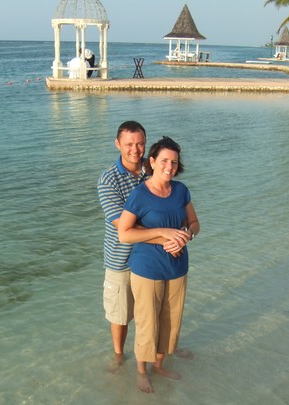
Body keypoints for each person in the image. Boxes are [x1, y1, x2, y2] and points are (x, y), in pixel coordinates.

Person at [97, 122, 183, 374]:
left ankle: (156, 355)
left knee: (155, 313)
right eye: (129, 144)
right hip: (121, 257)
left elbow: (171, 203)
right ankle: (119, 355)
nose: (135, 150)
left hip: (153, 258)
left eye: (140, 143)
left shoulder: (155, 166)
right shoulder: (108, 180)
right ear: (117, 144)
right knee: (121, 314)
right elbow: (122, 227)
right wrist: (168, 238)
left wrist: (179, 235)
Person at [118, 136, 200, 394]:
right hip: (147, 268)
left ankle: (159, 365)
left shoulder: (181, 190)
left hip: (177, 266)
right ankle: (141, 371)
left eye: (174, 162)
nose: (169, 166)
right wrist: (163, 232)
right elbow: (124, 233)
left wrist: (185, 236)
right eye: (164, 160)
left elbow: (195, 224)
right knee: (147, 322)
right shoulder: (140, 194)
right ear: (152, 162)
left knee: (170, 319)